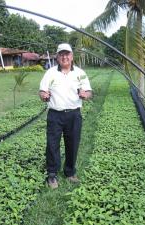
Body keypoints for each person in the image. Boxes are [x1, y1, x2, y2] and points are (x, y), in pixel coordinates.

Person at [39, 43, 92, 189]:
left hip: (74, 115)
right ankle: (52, 174)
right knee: (52, 145)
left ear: (72, 56)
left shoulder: (80, 73)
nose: (64, 57)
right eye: (61, 54)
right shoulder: (50, 73)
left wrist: (85, 94)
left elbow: (89, 92)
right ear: (57, 57)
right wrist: (44, 95)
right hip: (55, 115)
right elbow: (42, 91)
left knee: (72, 144)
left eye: (67, 54)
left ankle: (70, 172)